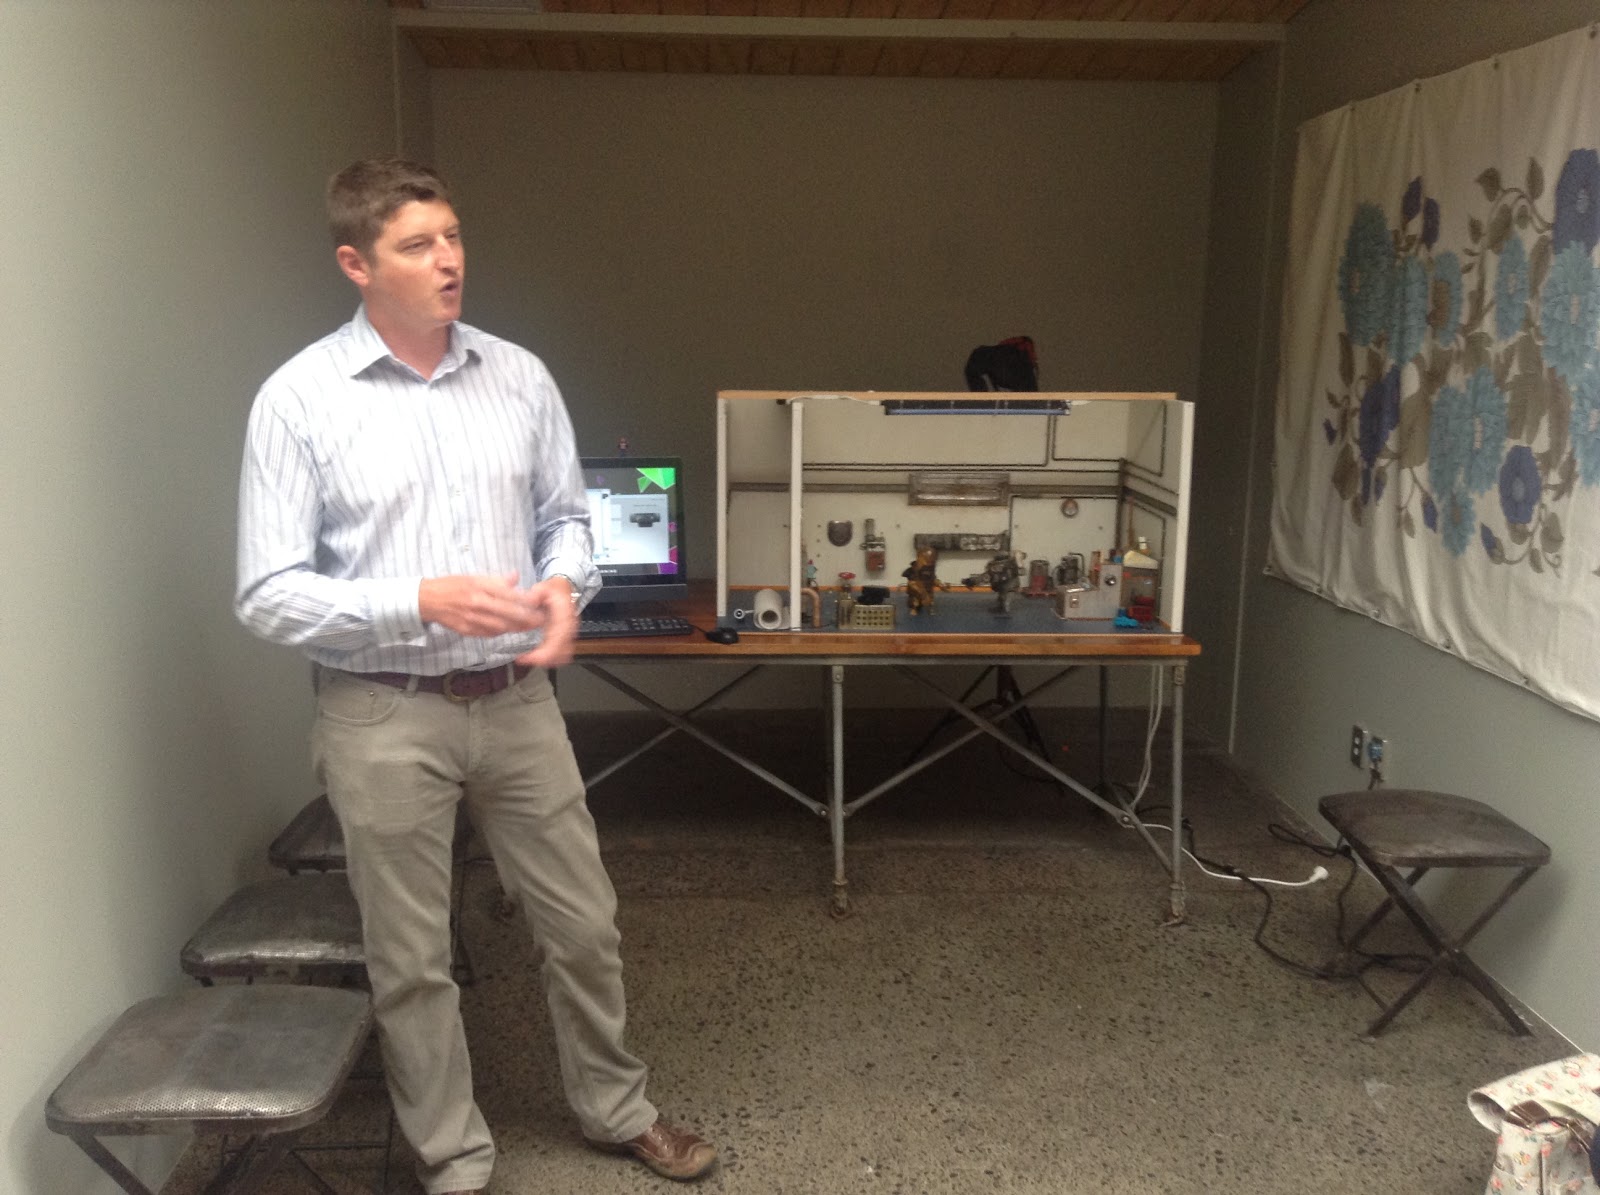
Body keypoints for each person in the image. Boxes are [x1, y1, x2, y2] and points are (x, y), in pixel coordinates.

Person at [235, 158, 717, 1195]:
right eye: (417, 245)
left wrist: (564, 589)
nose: (448, 259)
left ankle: (616, 1108)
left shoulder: (519, 376)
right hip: (381, 712)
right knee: (411, 960)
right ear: (357, 264)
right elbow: (267, 593)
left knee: (583, 924)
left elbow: (567, 520)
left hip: (516, 703)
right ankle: (453, 1158)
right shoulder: (299, 401)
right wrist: (419, 598)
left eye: (452, 236)